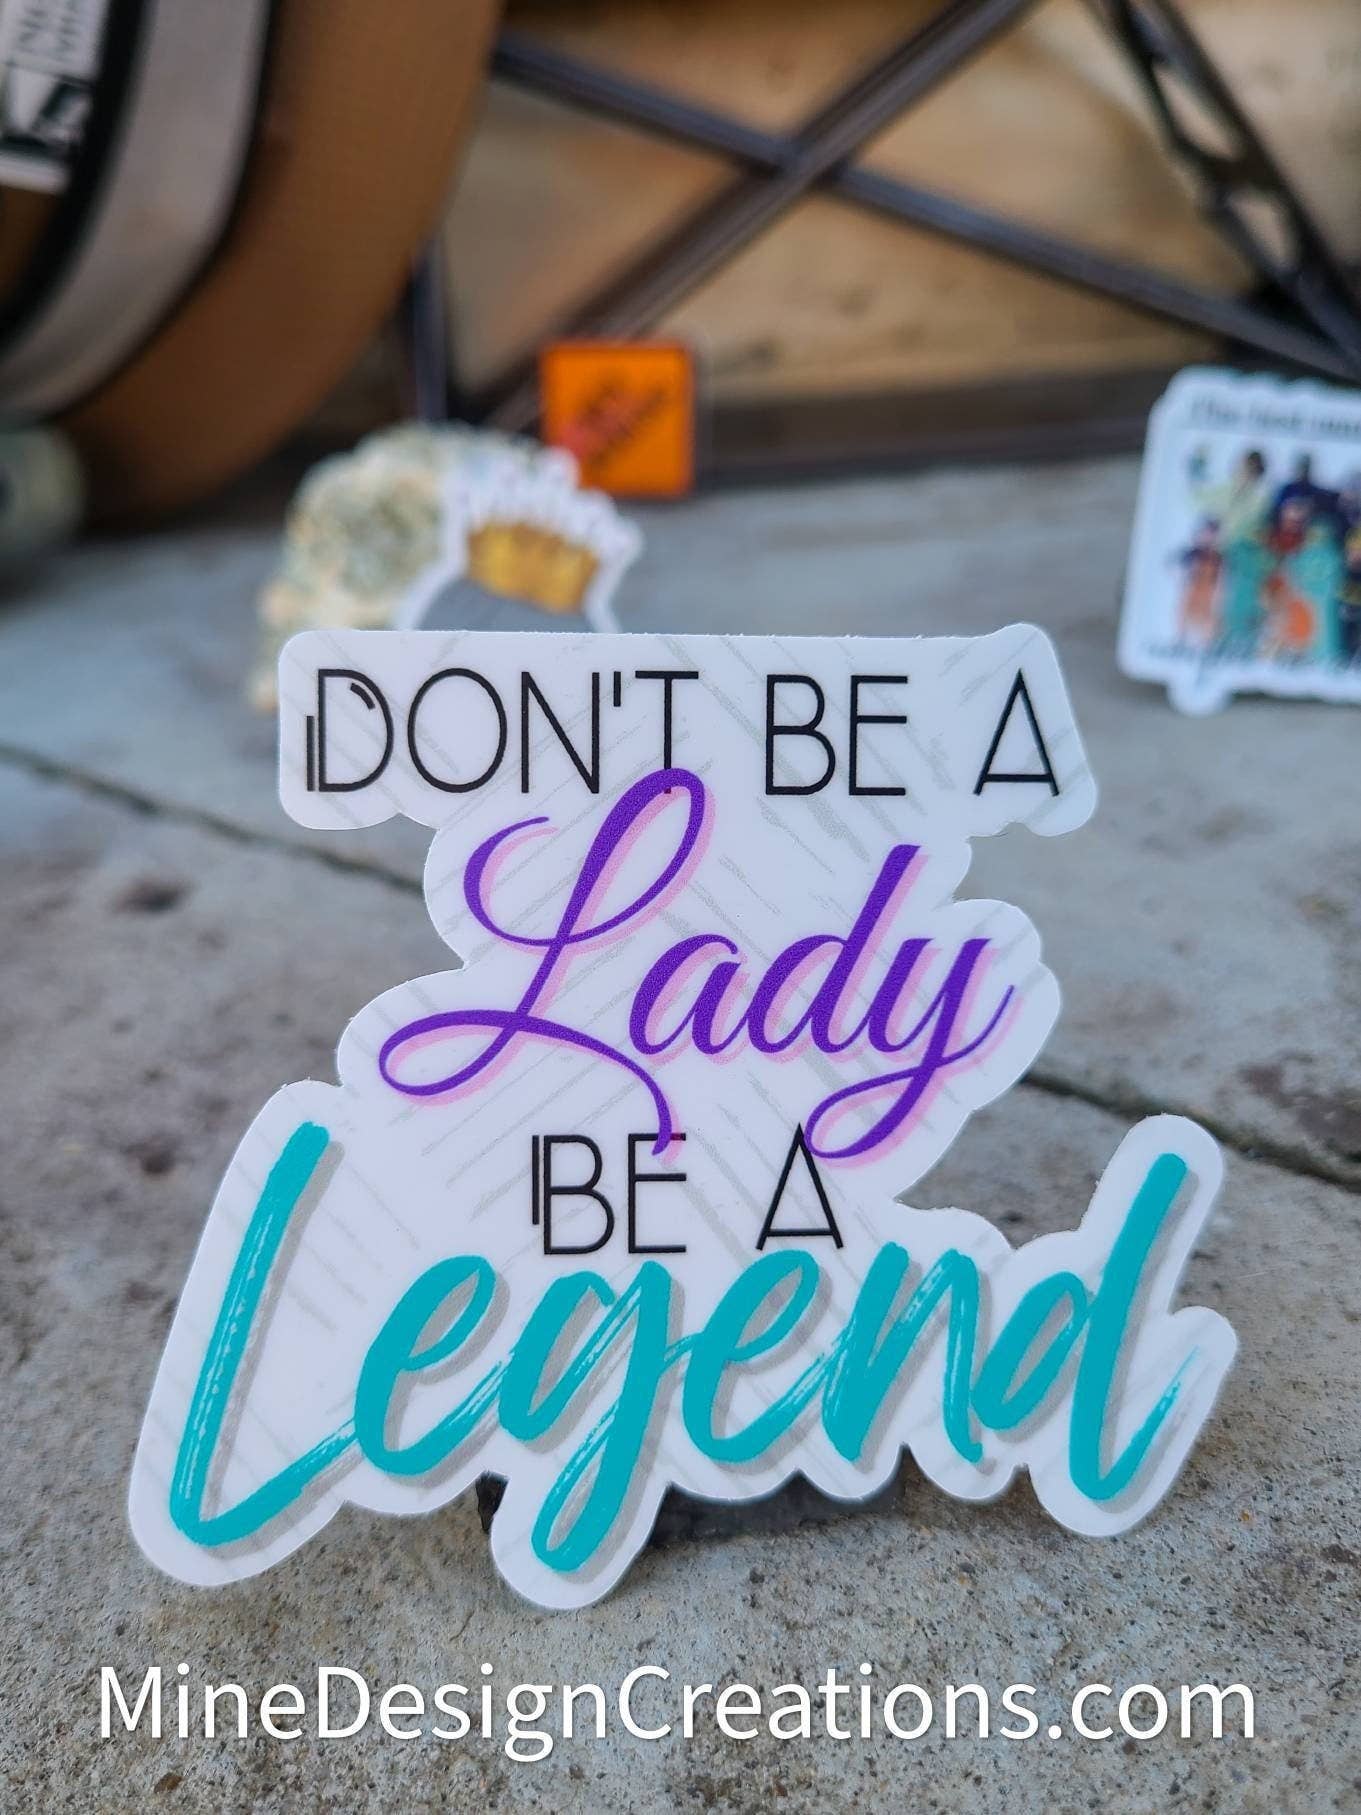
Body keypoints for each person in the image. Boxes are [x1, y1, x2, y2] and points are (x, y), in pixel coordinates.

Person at [1188, 446, 1268, 656]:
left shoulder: (1260, 498)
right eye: (1242, 467)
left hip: (1245, 559)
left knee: (1242, 603)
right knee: (1219, 600)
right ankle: (1214, 643)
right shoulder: (1225, 491)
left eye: (1249, 469)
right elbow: (1198, 497)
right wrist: (1197, 467)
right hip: (1219, 558)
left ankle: (1242, 645)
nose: (1243, 473)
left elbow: (1256, 529)